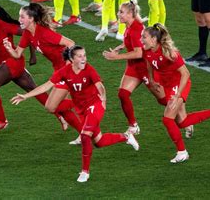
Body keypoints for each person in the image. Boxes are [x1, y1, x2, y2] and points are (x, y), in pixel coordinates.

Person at [28, 45, 139, 183]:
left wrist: (103, 99)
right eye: (80, 56)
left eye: (84, 55)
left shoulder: (89, 70)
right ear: (72, 59)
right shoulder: (65, 71)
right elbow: (46, 85)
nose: (84, 59)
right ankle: (126, 136)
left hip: (95, 105)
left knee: (85, 136)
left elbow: (100, 86)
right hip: (81, 110)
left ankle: (85, 172)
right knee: (99, 142)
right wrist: (26, 96)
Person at [141, 23, 210, 163]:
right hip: (168, 85)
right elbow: (149, 63)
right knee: (182, 122)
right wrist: (152, 80)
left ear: (154, 39)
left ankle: (182, 152)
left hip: (179, 85)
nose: (142, 39)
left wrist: (178, 95)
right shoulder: (147, 50)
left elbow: (186, 74)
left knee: (167, 119)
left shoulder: (170, 53)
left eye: (144, 37)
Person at [0, 2, 57, 132]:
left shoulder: (1, 25)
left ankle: (1, 120)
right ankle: (61, 113)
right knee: (32, 89)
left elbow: (27, 33)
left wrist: (32, 54)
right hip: (7, 66)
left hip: (13, 61)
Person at [4, 3, 84, 135]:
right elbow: (17, 54)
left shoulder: (45, 33)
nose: (19, 20)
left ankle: (82, 101)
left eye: (22, 17)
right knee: (62, 107)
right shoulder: (28, 33)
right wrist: (9, 49)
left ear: (31, 19)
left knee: (53, 106)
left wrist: (68, 67)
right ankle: (83, 134)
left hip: (68, 69)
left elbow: (71, 43)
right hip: (58, 68)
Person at [102, 0, 148, 134]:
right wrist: (119, 48)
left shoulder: (136, 29)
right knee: (123, 94)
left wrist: (116, 57)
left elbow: (139, 53)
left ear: (130, 14)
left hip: (146, 68)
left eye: (121, 12)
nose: (118, 14)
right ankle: (133, 126)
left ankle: (184, 120)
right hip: (134, 67)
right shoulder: (130, 26)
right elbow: (130, 41)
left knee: (164, 100)